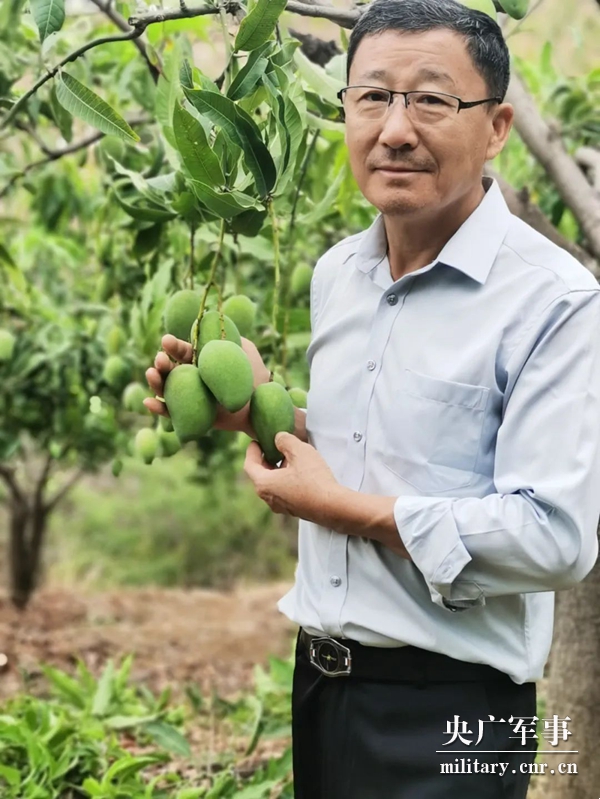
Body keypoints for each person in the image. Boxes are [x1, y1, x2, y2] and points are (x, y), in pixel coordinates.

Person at [144, 0, 600, 796]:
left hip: (460, 705)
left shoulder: (555, 299)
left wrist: (340, 508)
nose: (395, 128)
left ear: (496, 126)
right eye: (372, 97)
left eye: (430, 99)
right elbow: (375, 447)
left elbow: (553, 535)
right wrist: (256, 414)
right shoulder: (338, 275)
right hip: (323, 683)